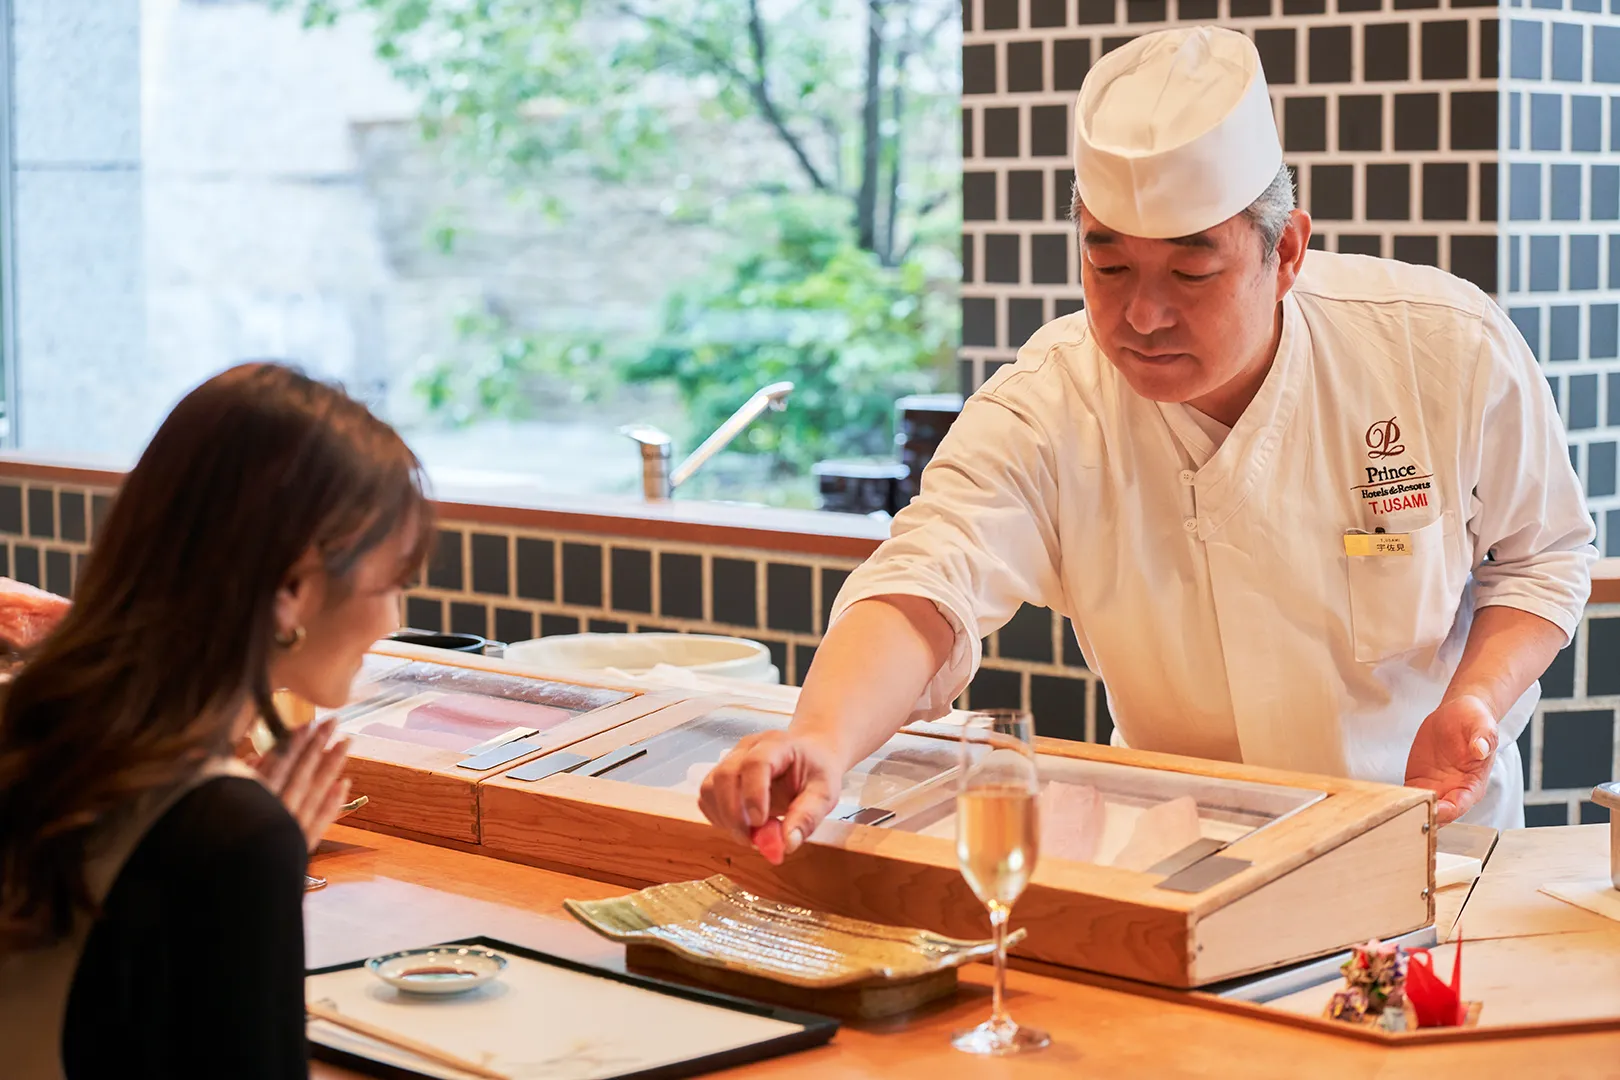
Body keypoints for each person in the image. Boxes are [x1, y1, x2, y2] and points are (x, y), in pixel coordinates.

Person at [701, 26, 1596, 858]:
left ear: (1285, 252)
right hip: (1187, 858)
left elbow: (1542, 556)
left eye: (1192, 270)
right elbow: (928, 579)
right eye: (1108, 263)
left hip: (1426, 841)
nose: (1142, 315)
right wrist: (819, 737)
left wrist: (1473, 698)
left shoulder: (1436, 346)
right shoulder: (1049, 401)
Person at [0, 362, 432, 1078]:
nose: (393, 618)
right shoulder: (226, 830)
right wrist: (256, 866)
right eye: (394, 584)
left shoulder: (41, 728)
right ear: (291, 588)